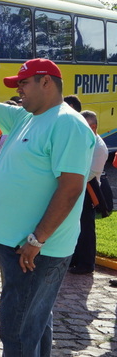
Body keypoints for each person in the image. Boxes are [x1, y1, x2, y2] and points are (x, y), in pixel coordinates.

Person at [0, 33, 95, 357]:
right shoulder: (27, 116)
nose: (19, 91)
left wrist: (37, 238)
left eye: (23, 84)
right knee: (35, 323)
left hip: (35, 249)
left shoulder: (66, 124)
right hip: (19, 245)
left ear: (46, 82)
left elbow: (71, 188)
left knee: (19, 327)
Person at [67, 110, 108, 275]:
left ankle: (86, 263)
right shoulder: (85, 140)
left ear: (94, 127)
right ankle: (75, 259)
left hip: (88, 191)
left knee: (86, 228)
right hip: (77, 187)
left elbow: (90, 173)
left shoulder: (99, 147)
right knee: (75, 226)